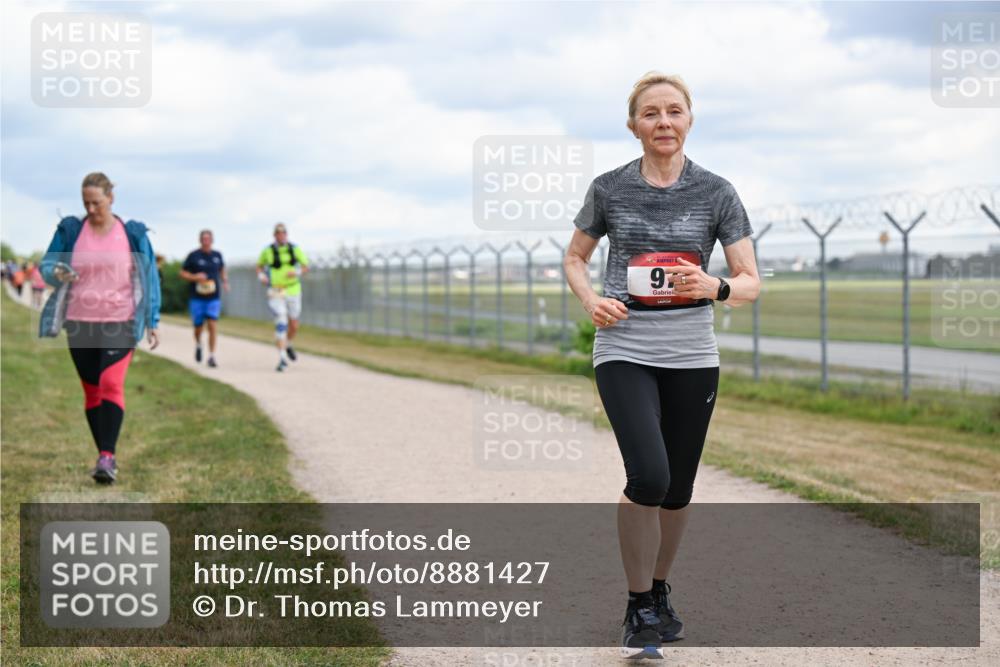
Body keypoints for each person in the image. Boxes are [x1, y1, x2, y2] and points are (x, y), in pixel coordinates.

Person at [563, 72, 760, 659]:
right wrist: (590, 299)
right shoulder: (609, 188)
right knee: (648, 476)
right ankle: (637, 603)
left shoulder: (718, 192)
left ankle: (657, 591)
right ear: (634, 126)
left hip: (693, 354)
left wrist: (715, 285)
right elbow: (575, 257)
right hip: (625, 349)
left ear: (689, 120)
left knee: (676, 489)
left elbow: (750, 281)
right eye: (651, 114)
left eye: (674, 111)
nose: (664, 122)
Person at [39, 172, 161, 484]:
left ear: (111, 198)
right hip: (80, 322)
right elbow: (47, 266)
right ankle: (105, 457)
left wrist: (152, 320)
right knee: (92, 391)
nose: (91, 209)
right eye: (86, 203)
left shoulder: (131, 233)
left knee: (110, 383)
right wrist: (57, 273)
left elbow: (150, 278)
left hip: (121, 320)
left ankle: (107, 455)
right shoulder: (71, 230)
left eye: (97, 202)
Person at [257, 222, 309, 372]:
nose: (281, 236)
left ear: (286, 234)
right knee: (281, 319)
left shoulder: (294, 249)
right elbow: (259, 266)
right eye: (278, 233)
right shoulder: (267, 251)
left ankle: (288, 344)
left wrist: (297, 272)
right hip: (276, 290)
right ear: (275, 235)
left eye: (283, 233)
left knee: (294, 324)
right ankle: (282, 358)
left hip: (293, 289)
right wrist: (261, 276)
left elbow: (305, 266)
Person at [180, 230, 228, 367]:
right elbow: (182, 273)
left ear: (212, 240)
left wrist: (225, 281)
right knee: (198, 326)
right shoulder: (193, 256)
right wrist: (195, 277)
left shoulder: (217, 255)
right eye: (204, 238)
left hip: (214, 296)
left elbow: (222, 269)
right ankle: (199, 344)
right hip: (197, 297)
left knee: (212, 323)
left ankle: (212, 356)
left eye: (208, 238)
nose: (206, 241)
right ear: (200, 240)